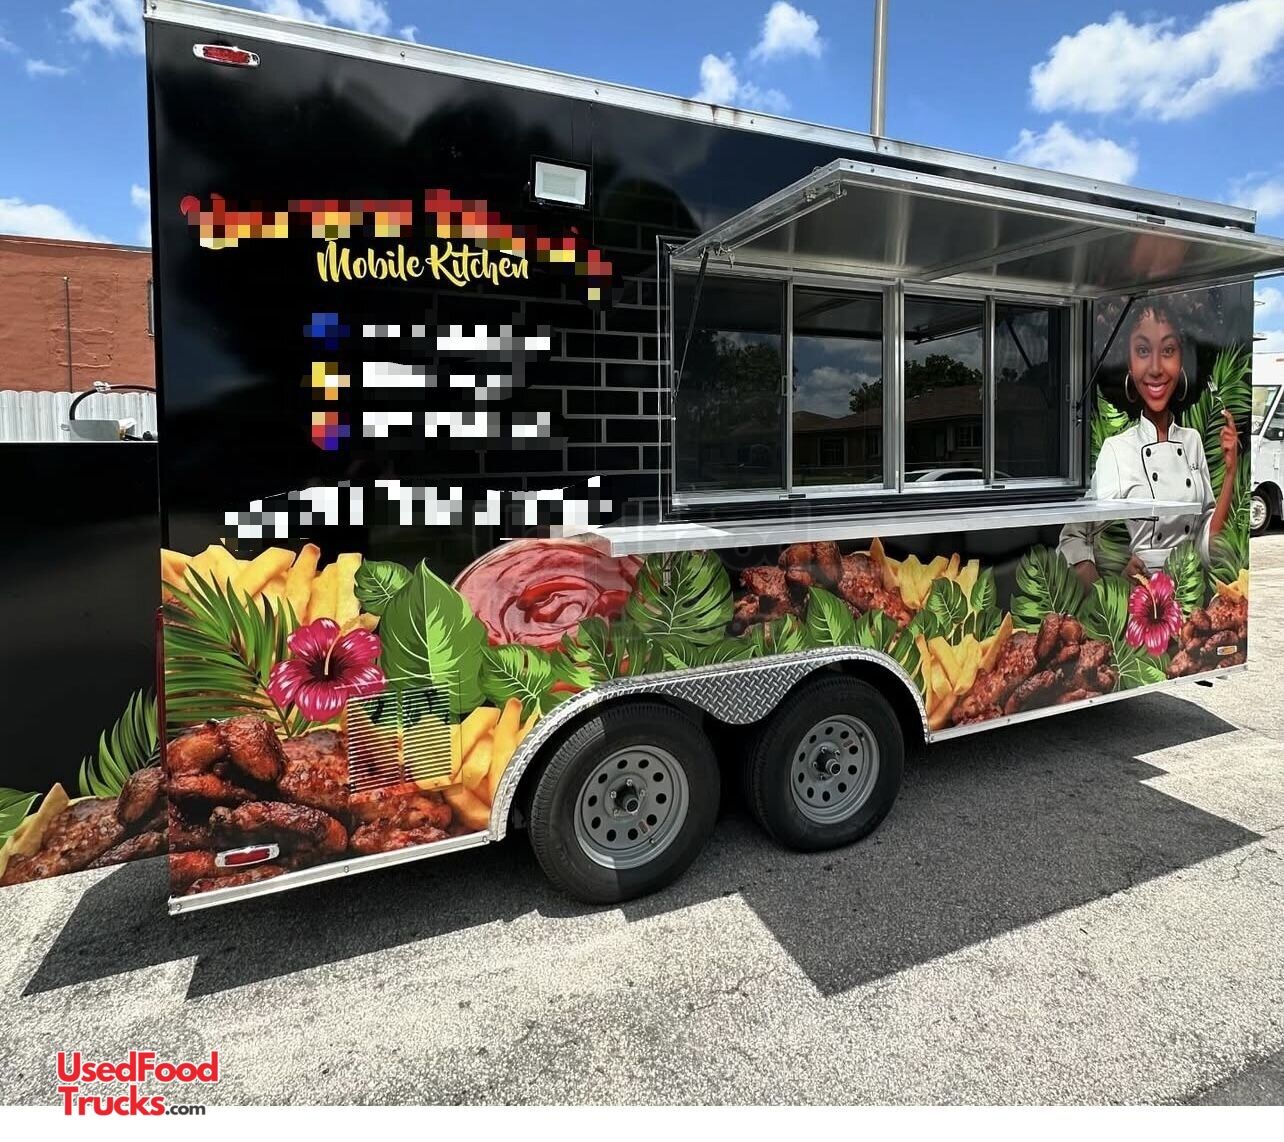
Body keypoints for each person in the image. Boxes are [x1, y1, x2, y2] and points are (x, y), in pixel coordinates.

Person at [1058, 301, 1239, 590]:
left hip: (1188, 596)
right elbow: (1074, 536)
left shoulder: (1192, 441)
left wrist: (1230, 473)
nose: (1155, 368)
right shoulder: (1117, 449)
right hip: (1139, 601)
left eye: (1167, 351)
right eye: (1143, 351)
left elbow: (1208, 542)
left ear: (1181, 360)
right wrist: (1110, 589)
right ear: (1130, 365)